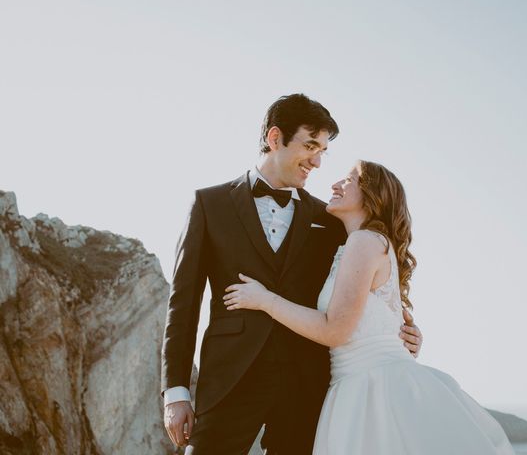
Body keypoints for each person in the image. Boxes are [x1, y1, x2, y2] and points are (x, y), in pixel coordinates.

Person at [161, 94, 423, 454]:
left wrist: (403, 332)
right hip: (230, 378)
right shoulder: (210, 204)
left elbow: (368, 285)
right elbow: (184, 304)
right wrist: (175, 393)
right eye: (310, 145)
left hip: (308, 385)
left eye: (323, 151)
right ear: (274, 138)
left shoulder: (331, 220)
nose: (317, 161)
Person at [223, 160, 516, 455]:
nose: (335, 184)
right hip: (360, 383)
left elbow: (335, 329)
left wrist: (264, 300)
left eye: (349, 179)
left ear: (372, 194)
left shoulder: (364, 242)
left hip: (373, 390)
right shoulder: (365, 243)